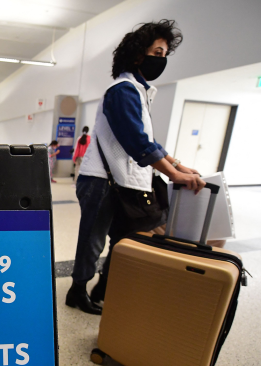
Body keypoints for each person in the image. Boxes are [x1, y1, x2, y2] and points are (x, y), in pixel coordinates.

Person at [65, 20, 205, 315]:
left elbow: (151, 141)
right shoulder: (123, 90)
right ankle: (77, 291)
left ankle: (103, 288)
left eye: (165, 53)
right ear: (138, 54)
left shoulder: (139, 92)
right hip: (101, 180)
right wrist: (173, 174)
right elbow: (136, 140)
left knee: (123, 239)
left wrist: (179, 165)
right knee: (93, 238)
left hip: (124, 180)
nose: (162, 59)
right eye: (157, 51)